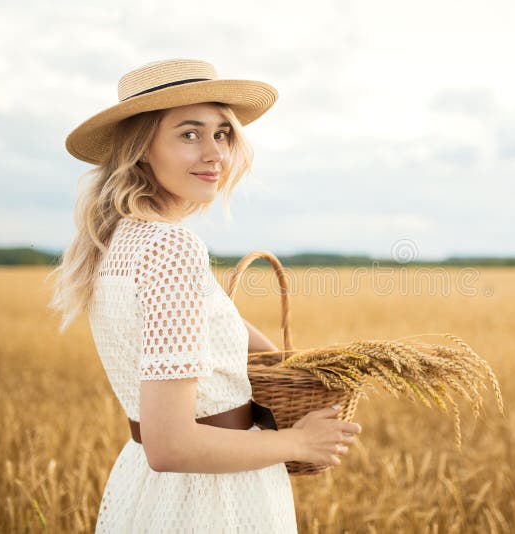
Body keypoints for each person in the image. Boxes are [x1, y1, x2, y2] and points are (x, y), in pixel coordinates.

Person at [47, 58, 362, 533]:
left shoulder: (120, 242)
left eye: (222, 134)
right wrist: (299, 443)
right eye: (189, 134)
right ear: (141, 149)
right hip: (211, 502)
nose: (215, 153)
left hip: (149, 493)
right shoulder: (171, 247)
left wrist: (284, 364)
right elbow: (171, 444)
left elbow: (207, 322)